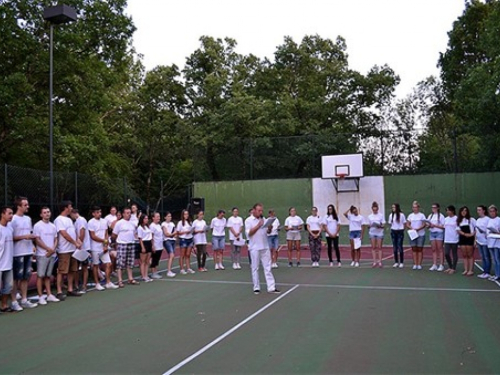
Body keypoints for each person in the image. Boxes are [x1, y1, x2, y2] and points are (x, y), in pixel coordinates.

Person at [245, 203, 280, 294]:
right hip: (254, 247)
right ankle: (256, 287)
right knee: (255, 268)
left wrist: (269, 228)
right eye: (259, 210)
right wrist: (258, 225)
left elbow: (267, 232)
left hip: (265, 246)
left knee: (268, 267)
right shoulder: (248, 220)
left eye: (261, 210)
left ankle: (271, 287)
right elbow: (249, 233)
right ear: (254, 210)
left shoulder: (264, 219)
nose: (260, 212)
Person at [10, 197, 38, 311]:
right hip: (17, 253)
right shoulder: (13, 219)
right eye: (25, 205)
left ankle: (24, 299)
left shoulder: (28, 218)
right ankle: (13, 301)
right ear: (19, 206)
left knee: (26, 277)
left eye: (27, 204)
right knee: (16, 278)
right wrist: (24, 237)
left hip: (27, 252)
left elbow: (30, 234)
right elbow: (10, 237)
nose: (28, 206)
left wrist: (32, 246)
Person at [54, 200, 83, 299]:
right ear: (65, 208)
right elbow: (64, 234)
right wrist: (75, 243)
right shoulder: (59, 220)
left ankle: (70, 289)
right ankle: (59, 291)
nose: (71, 208)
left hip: (72, 249)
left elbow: (73, 232)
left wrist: (77, 241)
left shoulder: (69, 219)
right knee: (62, 271)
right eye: (70, 207)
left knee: (72, 270)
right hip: (64, 250)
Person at [33, 207, 60, 304]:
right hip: (42, 254)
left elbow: (56, 239)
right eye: (44, 212)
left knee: (48, 276)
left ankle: (49, 295)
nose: (47, 214)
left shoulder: (53, 226)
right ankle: (40, 297)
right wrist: (48, 249)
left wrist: (53, 249)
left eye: (48, 212)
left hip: (52, 254)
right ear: (41, 215)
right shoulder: (37, 226)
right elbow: (37, 240)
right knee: (40, 276)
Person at [88, 206, 117, 290]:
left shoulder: (104, 221)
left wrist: (105, 245)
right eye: (97, 212)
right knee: (96, 266)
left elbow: (106, 233)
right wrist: (104, 241)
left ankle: (108, 282)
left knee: (109, 264)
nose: (99, 214)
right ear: (93, 213)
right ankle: (97, 284)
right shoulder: (90, 222)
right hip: (95, 248)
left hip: (103, 247)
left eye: (100, 212)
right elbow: (93, 236)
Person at [112, 207, 140, 287]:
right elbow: (114, 235)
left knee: (130, 262)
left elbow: (134, 233)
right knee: (120, 263)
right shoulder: (119, 223)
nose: (129, 214)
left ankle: (130, 278)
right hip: (122, 244)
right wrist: (116, 243)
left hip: (131, 243)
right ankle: (120, 280)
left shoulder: (133, 223)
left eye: (129, 213)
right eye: (127, 213)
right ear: (123, 214)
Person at [71, 208, 91, 293]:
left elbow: (82, 233)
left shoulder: (81, 220)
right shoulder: (76, 222)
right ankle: (76, 285)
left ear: (74, 213)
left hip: (84, 247)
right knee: (76, 267)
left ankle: (84, 285)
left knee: (84, 267)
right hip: (79, 247)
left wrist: (79, 244)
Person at [0, 207, 15, 312]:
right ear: (2, 214)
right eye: (9, 213)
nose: (11, 215)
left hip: (8, 263)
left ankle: (4, 305)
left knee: (8, 286)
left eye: (12, 213)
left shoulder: (10, 227)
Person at [406, 201, 426, 270]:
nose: (415, 209)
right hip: (413, 234)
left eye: (416, 207)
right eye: (413, 207)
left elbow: (424, 224)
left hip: (420, 234)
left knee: (419, 249)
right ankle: (415, 264)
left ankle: (419, 264)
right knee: (414, 249)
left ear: (418, 208)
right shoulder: (410, 215)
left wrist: (418, 229)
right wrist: (411, 228)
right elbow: (407, 224)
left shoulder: (422, 215)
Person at [457, 206, 476, 276]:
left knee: (470, 255)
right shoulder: (459, 220)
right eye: (462, 211)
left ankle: (470, 270)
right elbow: (458, 230)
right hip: (462, 238)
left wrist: (472, 236)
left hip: (470, 239)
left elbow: (476, 229)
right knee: (464, 255)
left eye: (465, 211)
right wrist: (465, 234)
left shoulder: (471, 220)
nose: (464, 212)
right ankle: (466, 269)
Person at [427, 203, 445, 271]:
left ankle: (441, 264)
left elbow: (443, 226)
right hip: (432, 233)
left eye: (434, 207)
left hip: (439, 233)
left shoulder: (441, 216)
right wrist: (429, 226)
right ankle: (434, 264)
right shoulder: (430, 216)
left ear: (438, 208)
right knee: (433, 249)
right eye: (432, 207)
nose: (433, 209)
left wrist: (435, 225)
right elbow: (427, 224)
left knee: (440, 249)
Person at [177, 209, 195, 274]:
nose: (186, 215)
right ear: (182, 215)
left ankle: (188, 268)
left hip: (190, 238)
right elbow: (178, 232)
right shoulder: (180, 223)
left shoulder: (190, 222)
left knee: (188, 254)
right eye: (185, 214)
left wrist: (191, 231)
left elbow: (192, 230)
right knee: (182, 254)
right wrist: (185, 232)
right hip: (183, 239)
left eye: (187, 214)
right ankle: (182, 269)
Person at [388, 203, 406, 268]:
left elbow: (404, 223)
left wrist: (402, 229)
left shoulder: (402, 215)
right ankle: (396, 262)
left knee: (400, 246)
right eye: (392, 207)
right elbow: (390, 223)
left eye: (394, 207)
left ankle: (401, 262)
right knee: (395, 247)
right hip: (393, 231)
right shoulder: (391, 215)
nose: (393, 209)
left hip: (400, 231)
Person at [475, 205, 491, 279]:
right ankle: (484, 272)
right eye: (477, 210)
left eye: (479, 210)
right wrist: (475, 240)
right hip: (479, 241)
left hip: (485, 241)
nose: (478, 211)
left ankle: (487, 272)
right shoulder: (478, 220)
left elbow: (489, 230)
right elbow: (476, 231)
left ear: (484, 210)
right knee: (482, 257)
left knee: (486, 257)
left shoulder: (487, 219)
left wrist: (483, 231)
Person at [368, 202, 385, 268]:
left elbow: (383, 224)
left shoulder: (381, 215)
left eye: (376, 209)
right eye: (373, 209)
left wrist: (379, 226)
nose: (375, 211)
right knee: (373, 247)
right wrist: (370, 226)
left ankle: (380, 261)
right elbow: (369, 225)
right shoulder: (370, 216)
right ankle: (374, 261)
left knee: (379, 247)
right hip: (372, 232)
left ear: (378, 209)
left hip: (379, 233)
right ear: (372, 209)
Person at [137, 214, 153, 282]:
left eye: (147, 218)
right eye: (145, 218)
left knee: (147, 261)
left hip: (149, 243)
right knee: (143, 261)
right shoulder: (140, 228)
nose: (146, 220)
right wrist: (143, 247)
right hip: (143, 243)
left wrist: (151, 245)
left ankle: (146, 275)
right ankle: (143, 276)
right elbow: (140, 238)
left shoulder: (147, 227)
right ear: (142, 219)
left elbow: (150, 236)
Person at [444, 205, 459, 274]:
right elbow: (443, 227)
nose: (447, 212)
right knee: (446, 253)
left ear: (452, 211)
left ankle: (453, 268)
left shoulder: (457, 219)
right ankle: (450, 266)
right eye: (447, 210)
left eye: (448, 210)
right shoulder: (446, 219)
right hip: (447, 239)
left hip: (454, 239)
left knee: (454, 253)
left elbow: (459, 228)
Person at [486, 205, 500, 281]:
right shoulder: (489, 220)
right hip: (490, 243)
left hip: (497, 243)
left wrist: (496, 232)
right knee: (494, 259)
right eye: (490, 211)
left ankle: (498, 275)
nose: (492, 213)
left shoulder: (499, 220)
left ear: (496, 212)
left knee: (497, 260)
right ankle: (496, 274)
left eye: (493, 211)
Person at [161, 212, 177, 277]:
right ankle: (169, 271)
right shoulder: (163, 224)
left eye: (170, 216)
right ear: (165, 217)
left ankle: (170, 270)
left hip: (173, 240)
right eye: (168, 216)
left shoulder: (172, 224)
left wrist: (174, 235)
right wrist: (172, 235)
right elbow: (166, 234)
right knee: (171, 255)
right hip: (167, 241)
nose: (169, 217)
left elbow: (175, 232)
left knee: (172, 256)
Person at [149, 212, 164, 279]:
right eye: (157, 216)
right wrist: (153, 245)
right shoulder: (152, 226)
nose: (159, 218)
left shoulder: (158, 225)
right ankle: (153, 273)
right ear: (153, 218)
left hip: (160, 245)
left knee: (157, 259)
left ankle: (155, 271)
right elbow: (151, 236)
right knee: (154, 259)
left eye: (159, 216)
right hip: (155, 245)